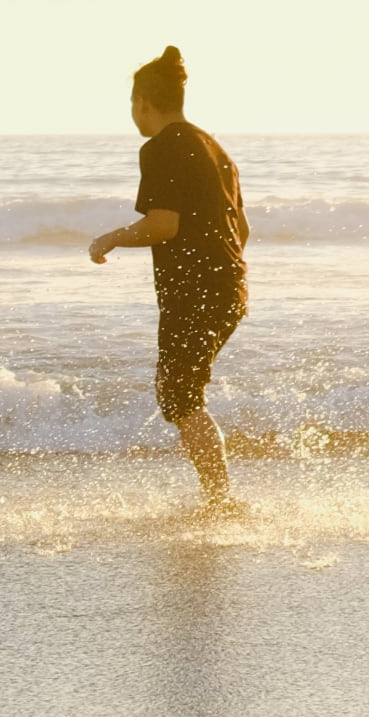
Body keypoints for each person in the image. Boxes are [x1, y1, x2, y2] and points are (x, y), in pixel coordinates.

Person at [89, 46, 249, 513]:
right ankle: (219, 498)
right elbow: (242, 230)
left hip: (195, 292)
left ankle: (221, 501)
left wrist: (111, 238)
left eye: (133, 105)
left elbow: (164, 224)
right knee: (180, 392)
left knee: (179, 397)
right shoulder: (215, 147)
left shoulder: (160, 148)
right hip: (229, 287)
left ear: (142, 102)